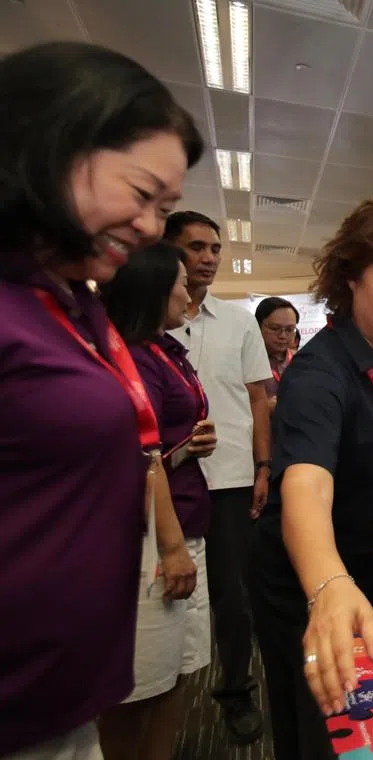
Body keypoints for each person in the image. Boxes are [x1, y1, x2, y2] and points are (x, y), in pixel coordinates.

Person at [0, 41, 201, 759]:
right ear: (51, 149)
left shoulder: (63, 303)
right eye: (143, 195)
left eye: (165, 207)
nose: (152, 227)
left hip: (60, 698)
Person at [247, 197, 373, 760]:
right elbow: (306, 486)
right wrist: (328, 587)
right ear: (351, 280)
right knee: (318, 721)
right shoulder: (319, 374)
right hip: (307, 577)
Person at [98, 242, 218, 760]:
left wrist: (187, 446)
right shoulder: (131, 357)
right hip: (151, 538)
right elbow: (138, 460)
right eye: (178, 282)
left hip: (186, 519)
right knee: (136, 684)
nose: (187, 290)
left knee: (177, 669)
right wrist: (171, 546)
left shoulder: (163, 348)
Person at [164, 210, 273, 742]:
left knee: (233, 593)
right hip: (164, 479)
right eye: (195, 248)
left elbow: (258, 398)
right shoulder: (145, 319)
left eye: (214, 248)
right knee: (167, 591)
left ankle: (235, 691)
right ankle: (161, 701)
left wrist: (263, 466)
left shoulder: (238, 320)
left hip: (229, 476)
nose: (207, 258)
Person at [255, 295, 299, 411]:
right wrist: (264, 408)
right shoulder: (246, 361)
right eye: (275, 328)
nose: (283, 336)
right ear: (257, 326)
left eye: (290, 330)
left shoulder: (301, 361)